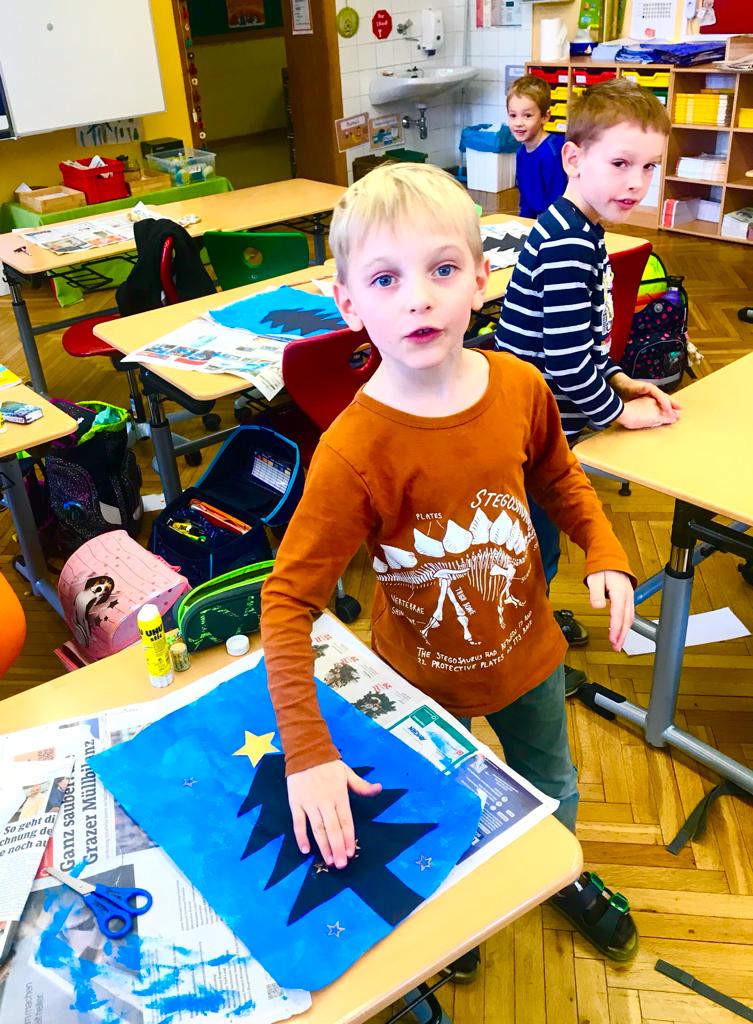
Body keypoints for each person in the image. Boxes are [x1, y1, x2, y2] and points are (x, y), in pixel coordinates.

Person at [261, 162, 641, 969]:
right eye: (385, 279)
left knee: (553, 787)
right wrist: (307, 751)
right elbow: (287, 603)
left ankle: (555, 877)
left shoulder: (520, 386)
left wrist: (603, 548)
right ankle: (454, 904)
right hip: (420, 683)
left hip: (530, 658)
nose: (418, 299)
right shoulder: (352, 451)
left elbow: (558, 476)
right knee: (440, 804)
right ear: (348, 304)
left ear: (478, 279)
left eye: (441, 270)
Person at [495, 78, 680, 694]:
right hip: (531, 435)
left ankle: (534, 624)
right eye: (621, 163)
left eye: (649, 167)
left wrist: (621, 380)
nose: (637, 182)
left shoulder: (579, 225)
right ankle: (527, 656)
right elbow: (569, 364)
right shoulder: (571, 242)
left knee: (538, 547)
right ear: (573, 159)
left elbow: (580, 345)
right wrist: (616, 413)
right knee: (533, 552)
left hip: (545, 421)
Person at [508, 73, 568, 219]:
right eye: (513, 115)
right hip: (539, 218)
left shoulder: (551, 154)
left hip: (556, 220)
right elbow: (526, 199)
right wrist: (523, 223)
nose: (518, 123)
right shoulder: (521, 152)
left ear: (545, 117)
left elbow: (558, 202)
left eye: (527, 116)